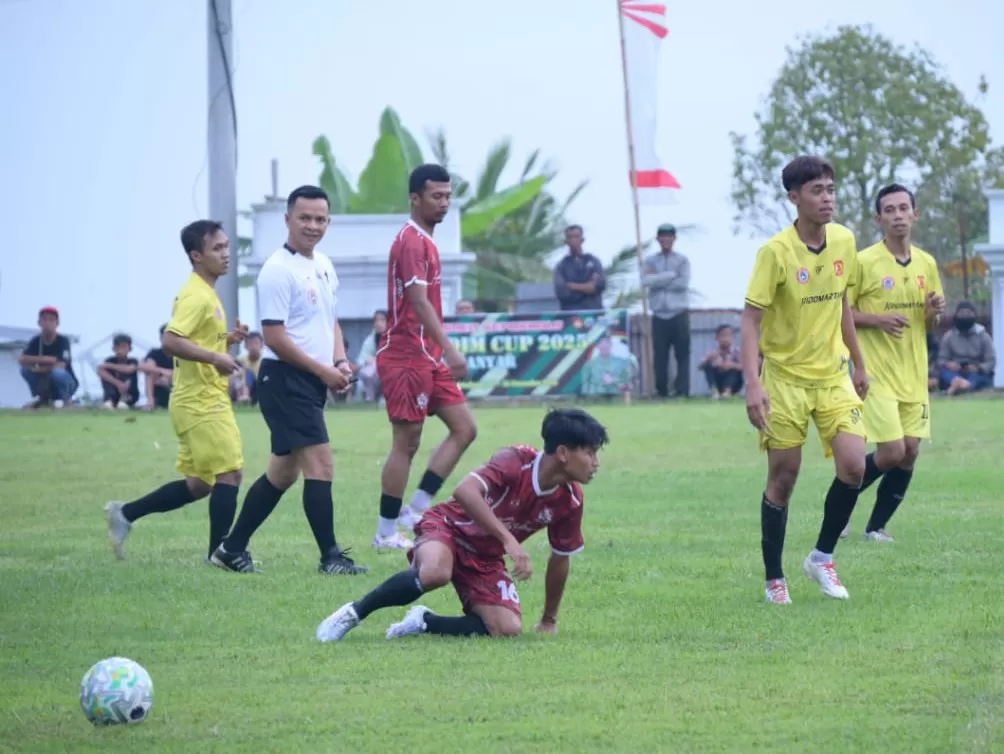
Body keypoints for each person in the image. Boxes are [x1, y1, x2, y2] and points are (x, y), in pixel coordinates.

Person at [316, 408, 609, 642]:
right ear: (563, 453)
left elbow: (560, 558)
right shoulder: (516, 460)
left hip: (485, 556)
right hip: (447, 527)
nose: (596, 462)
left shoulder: (570, 500)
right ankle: (353, 613)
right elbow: (465, 491)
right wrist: (509, 540)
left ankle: (423, 622)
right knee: (435, 573)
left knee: (507, 629)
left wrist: (548, 620)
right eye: (590, 453)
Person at [211, 185, 367, 576]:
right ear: (287, 220)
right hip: (284, 380)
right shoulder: (277, 271)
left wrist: (341, 361)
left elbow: (329, 318)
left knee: (283, 473)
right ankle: (331, 557)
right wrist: (323, 370)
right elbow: (275, 337)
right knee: (322, 466)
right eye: (305, 218)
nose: (313, 226)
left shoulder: (324, 265)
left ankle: (231, 549)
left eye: (320, 219)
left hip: (308, 381)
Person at [740, 155, 870, 605]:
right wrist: (753, 384)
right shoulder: (775, 252)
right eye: (817, 190)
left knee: (854, 466)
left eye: (831, 189)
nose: (827, 198)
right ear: (794, 199)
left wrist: (859, 362)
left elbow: (843, 306)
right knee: (784, 477)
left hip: (832, 375)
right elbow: (750, 319)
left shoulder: (844, 241)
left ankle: (821, 556)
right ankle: (775, 577)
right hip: (784, 380)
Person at [105, 220, 247, 560]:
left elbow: (191, 339)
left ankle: (125, 514)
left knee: (201, 484)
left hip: (197, 398)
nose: (226, 254)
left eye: (227, 246)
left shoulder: (204, 291)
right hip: (200, 402)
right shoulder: (197, 296)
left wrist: (226, 340)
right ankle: (221, 555)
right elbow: (171, 340)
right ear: (197, 256)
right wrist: (216, 355)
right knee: (230, 472)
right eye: (217, 248)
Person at [372, 164, 477, 553]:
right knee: (407, 442)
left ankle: (415, 512)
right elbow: (416, 300)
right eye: (437, 196)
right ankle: (385, 533)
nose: (445, 203)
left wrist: (439, 351)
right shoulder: (412, 241)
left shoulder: (426, 242)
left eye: (448, 196)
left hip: (426, 355)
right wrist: (450, 348)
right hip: (405, 354)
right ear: (415, 198)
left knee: (464, 428)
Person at [842, 184, 945, 542]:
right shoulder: (864, 262)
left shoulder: (926, 263)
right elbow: (841, 314)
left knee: (911, 451)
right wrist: (877, 320)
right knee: (891, 451)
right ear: (879, 218)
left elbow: (929, 323)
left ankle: (876, 528)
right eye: (890, 210)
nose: (898, 215)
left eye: (904, 208)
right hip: (876, 372)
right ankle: (840, 505)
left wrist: (932, 314)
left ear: (915, 215)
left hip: (913, 373)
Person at [643, 223, 692, 397]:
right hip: (658, 314)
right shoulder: (650, 260)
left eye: (669, 236)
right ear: (658, 239)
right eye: (662, 236)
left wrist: (657, 279)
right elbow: (645, 281)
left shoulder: (682, 260)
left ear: (674, 239)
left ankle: (682, 391)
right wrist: (670, 275)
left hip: (679, 313)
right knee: (660, 356)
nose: (665, 239)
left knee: (682, 355)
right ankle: (661, 391)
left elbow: (682, 284)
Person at [18, 306, 77, 409]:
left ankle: (66, 400)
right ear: (39, 323)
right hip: (44, 380)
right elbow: (22, 359)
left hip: (65, 381)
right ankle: (41, 398)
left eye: (51, 320)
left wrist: (39, 368)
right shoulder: (36, 341)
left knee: (57, 373)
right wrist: (46, 359)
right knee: (25, 370)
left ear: (57, 323)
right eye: (44, 319)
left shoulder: (63, 341)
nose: (47, 323)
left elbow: (61, 365)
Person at [937, 301, 996, 395]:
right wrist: (949, 364)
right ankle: (959, 383)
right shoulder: (948, 336)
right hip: (955, 372)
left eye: (968, 313)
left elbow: (991, 361)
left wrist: (977, 368)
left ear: (974, 316)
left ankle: (962, 386)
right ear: (956, 316)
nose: (965, 316)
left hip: (976, 372)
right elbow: (941, 360)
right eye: (962, 313)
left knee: (977, 378)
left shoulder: (984, 336)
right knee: (945, 374)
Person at [552, 225, 606, 312]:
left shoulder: (593, 261)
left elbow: (599, 286)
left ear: (582, 240)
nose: (573, 240)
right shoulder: (561, 266)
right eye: (570, 237)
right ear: (566, 241)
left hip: (594, 314)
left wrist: (573, 286)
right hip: (570, 315)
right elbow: (562, 293)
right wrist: (587, 287)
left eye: (576, 237)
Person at [97, 333, 140, 410]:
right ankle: (109, 401)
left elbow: (129, 369)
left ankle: (124, 401)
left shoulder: (133, 361)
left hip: (129, 394)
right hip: (114, 391)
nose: (120, 350)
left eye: (124, 347)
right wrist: (118, 383)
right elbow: (100, 370)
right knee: (106, 375)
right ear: (114, 348)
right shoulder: (109, 360)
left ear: (130, 349)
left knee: (126, 377)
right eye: (118, 347)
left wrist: (108, 365)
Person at [699, 324, 743, 398]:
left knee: (734, 369)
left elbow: (746, 367)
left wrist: (731, 365)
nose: (725, 339)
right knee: (708, 365)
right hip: (718, 380)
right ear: (717, 338)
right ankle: (714, 392)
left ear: (733, 337)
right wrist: (707, 360)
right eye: (722, 336)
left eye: (729, 335)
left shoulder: (737, 352)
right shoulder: (713, 353)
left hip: (734, 383)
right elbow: (700, 367)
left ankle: (727, 392)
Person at [355, 309, 387, 402]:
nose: (378, 323)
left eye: (382, 320)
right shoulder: (371, 339)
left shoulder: (395, 337)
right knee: (366, 372)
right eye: (376, 320)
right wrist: (367, 360)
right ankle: (369, 400)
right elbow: (361, 359)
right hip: (374, 373)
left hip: (390, 371)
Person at [140, 325, 174, 410]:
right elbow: (144, 367)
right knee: (150, 374)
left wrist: (170, 377)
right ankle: (150, 402)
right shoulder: (155, 353)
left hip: (175, 386)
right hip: (158, 386)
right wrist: (163, 372)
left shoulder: (181, 354)